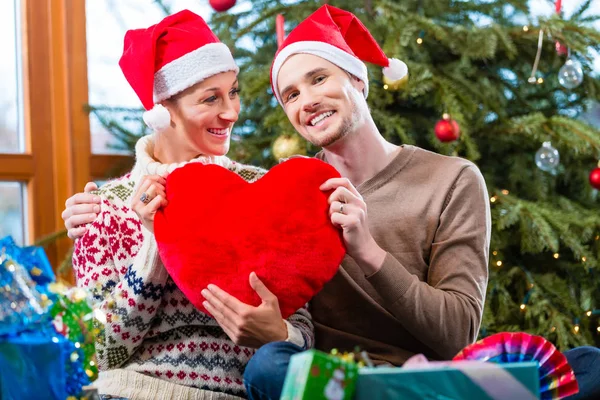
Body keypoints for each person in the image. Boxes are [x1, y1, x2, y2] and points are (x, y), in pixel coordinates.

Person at [64, 5, 600, 400]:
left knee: (587, 365)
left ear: (357, 81)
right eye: (290, 94)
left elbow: (454, 331)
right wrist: (144, 232)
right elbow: (109, 343)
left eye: (318, 78)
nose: (305, 101)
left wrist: (365, 249)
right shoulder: (281, 193)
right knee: (270, 368)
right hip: (319, 376)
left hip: (419, 373)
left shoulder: (447, 179)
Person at [64, 10, 312, 399]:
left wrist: (280, 332)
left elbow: (302, 330)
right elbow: (101, 350)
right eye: (210, 98)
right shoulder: (103, 208)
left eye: (233, 92)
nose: (230, 112)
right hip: (137, 392)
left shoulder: (259, 188)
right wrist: (156, 245)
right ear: (162, 112)